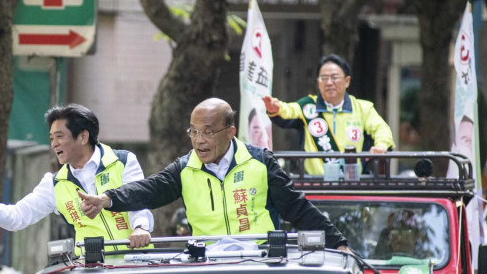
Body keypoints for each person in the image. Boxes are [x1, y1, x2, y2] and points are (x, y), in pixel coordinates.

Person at [76, 98, 348, 250]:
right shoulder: (185, 168)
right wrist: (106, 199)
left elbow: (297, 208)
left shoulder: (260, 162)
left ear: (230, 132)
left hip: (262, 265)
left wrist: (338, 244)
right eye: (193, 131)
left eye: (207, 131)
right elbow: (149, 189)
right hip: (209, 269)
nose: (199, 140)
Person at [0, 104, 153, 251]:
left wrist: (140, 228)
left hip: (133, 266)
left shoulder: (123, 162)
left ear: (83, 137)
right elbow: (17, 217)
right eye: (51, 138)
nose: (54, 144)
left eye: (60, 137)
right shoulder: (54, 184)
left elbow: (138, 202)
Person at [263, 54, 395, 175]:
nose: (329, 82)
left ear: (347, 81)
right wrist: (276, 108)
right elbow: (289, 110)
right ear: (318, 83)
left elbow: (381, 129)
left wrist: (381, 146)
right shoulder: (308, 106)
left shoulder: (363, 108)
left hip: (353, 184)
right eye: (324, 78)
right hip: (315, 185)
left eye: (334, 77)